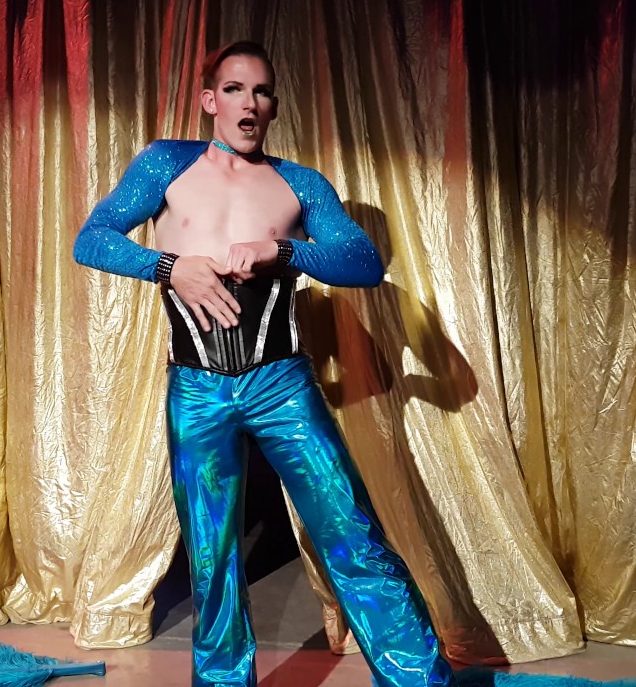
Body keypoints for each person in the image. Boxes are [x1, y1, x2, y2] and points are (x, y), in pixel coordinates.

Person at [73, 41, 455, 687]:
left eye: (261, 91)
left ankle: (420, 680)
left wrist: (285, 251)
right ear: (210, 100)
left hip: (282, 385)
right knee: (212, 554)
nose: (249, 103)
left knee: (350, 530)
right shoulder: (167, 162)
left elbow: (363, 262)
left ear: (273, 105)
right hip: (197, 388)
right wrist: (169, 267)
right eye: (234, 89)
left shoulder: (298, 182)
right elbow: (92, 239)